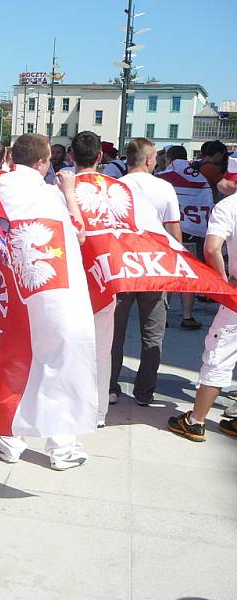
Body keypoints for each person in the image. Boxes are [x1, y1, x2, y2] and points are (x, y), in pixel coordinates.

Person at [0, 133, 92, 470]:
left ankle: (10, 438)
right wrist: (70, 193)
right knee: (58, 361)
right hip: (52, 289)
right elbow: (79, 232)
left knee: (20, 358)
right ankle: (60, 448)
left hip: (10, 290)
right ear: (43, 162)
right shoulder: (51, 194)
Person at [167, 161, 237, 441]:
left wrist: (221, 282)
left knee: (219, 352)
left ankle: (196, 420)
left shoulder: (229, 206)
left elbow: (211, 248)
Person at [110, 138, 181, 406]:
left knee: (113, 333)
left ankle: (109, 387)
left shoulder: (115, 186)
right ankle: (145, 391)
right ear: (150, 160)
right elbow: (174, 232)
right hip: (155, 267)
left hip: (122, 266)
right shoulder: (164, 188)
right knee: (153, 335)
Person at [70, 131, 119, 427]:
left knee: (69, 345)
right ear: (100, 157)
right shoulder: (116, 189)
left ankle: (72, 403)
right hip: (105, 275)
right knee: (102, 349)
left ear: (72, 156)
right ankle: (98, 412)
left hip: (73, 278)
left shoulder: (61, 188)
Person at [156, 145, 212, 330]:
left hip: (171, 230)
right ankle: (187, 316)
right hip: (195, 232)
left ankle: (162, 315)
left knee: (168, 272)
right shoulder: (200, 178)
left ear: (169, 159)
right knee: (187, 273)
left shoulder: (163, 178)